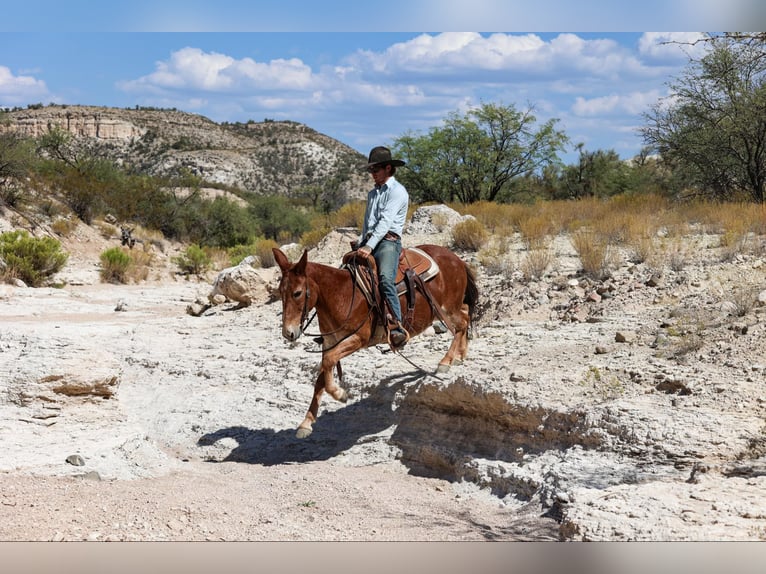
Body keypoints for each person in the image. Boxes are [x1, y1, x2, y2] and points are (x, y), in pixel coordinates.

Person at [355, 146, 410, 348]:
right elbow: (367, 223)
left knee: (386, 279)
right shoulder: (372, 194)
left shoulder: (398, 192)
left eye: (375, 170)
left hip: (388, 242)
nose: (373, 174)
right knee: (346, 272)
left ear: (388, 168)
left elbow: (385, 223)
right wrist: (361, 242)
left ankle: (397, 326)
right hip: (370, 240)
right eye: (371, 170)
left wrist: (369, 247)